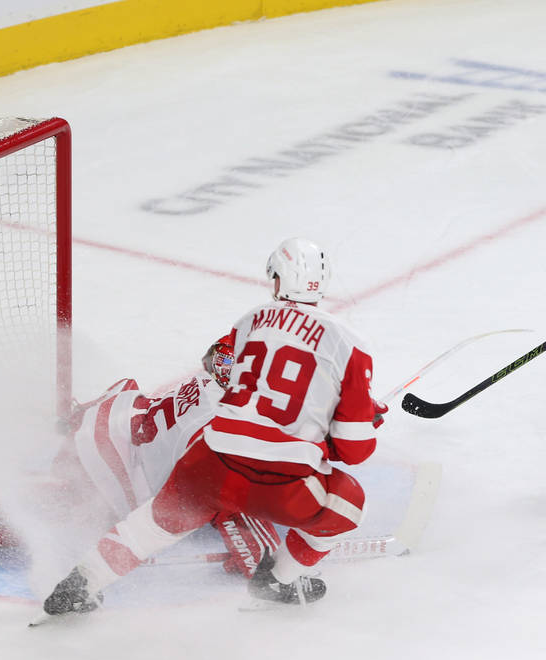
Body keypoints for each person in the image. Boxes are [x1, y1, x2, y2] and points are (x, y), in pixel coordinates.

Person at [41, 237, 386, 615]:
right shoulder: (350, 344)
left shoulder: (250, 321)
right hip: (277, 479)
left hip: (209, 458)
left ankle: (80, 582)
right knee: (348, 505)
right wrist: (353, 415)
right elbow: (354, 450)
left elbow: (219, 361)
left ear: (276, 280)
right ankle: (278, 581)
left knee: (151, 528)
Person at [0, 337, 280, 579]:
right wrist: (271, 566)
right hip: (107, 469)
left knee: (22, 491)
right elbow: (238, 523)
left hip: (112, 417)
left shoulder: (230, 362)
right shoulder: (239, 434)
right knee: (0, 514)